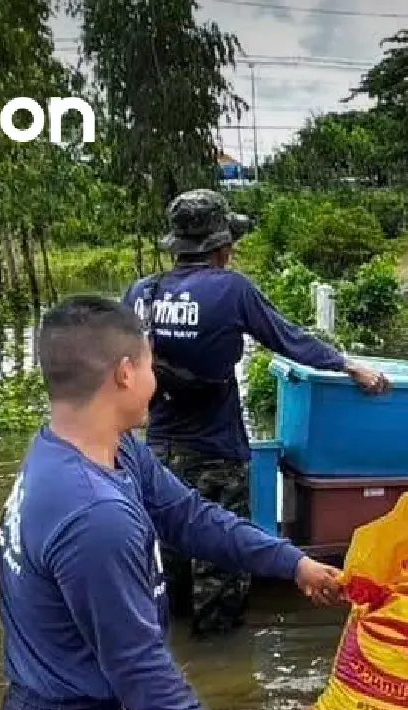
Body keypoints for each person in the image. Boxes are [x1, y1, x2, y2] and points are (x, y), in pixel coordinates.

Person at [0, 295, 349, 710]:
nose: (157, 378)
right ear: (125, 374)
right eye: (151, 363)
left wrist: (291, 563)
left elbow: (189, 517)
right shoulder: (94, 515)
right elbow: (135, 663)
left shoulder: (93, 450)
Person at [121, 189, 389, 638]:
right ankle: (225, 672)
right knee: (222, 563)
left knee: (170, 561)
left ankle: (179, 658)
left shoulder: (141, 293)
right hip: (214, 453)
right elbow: (289, 340)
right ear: (222, 247)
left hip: (156, 452)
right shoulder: (231, 290)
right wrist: (349, 365)